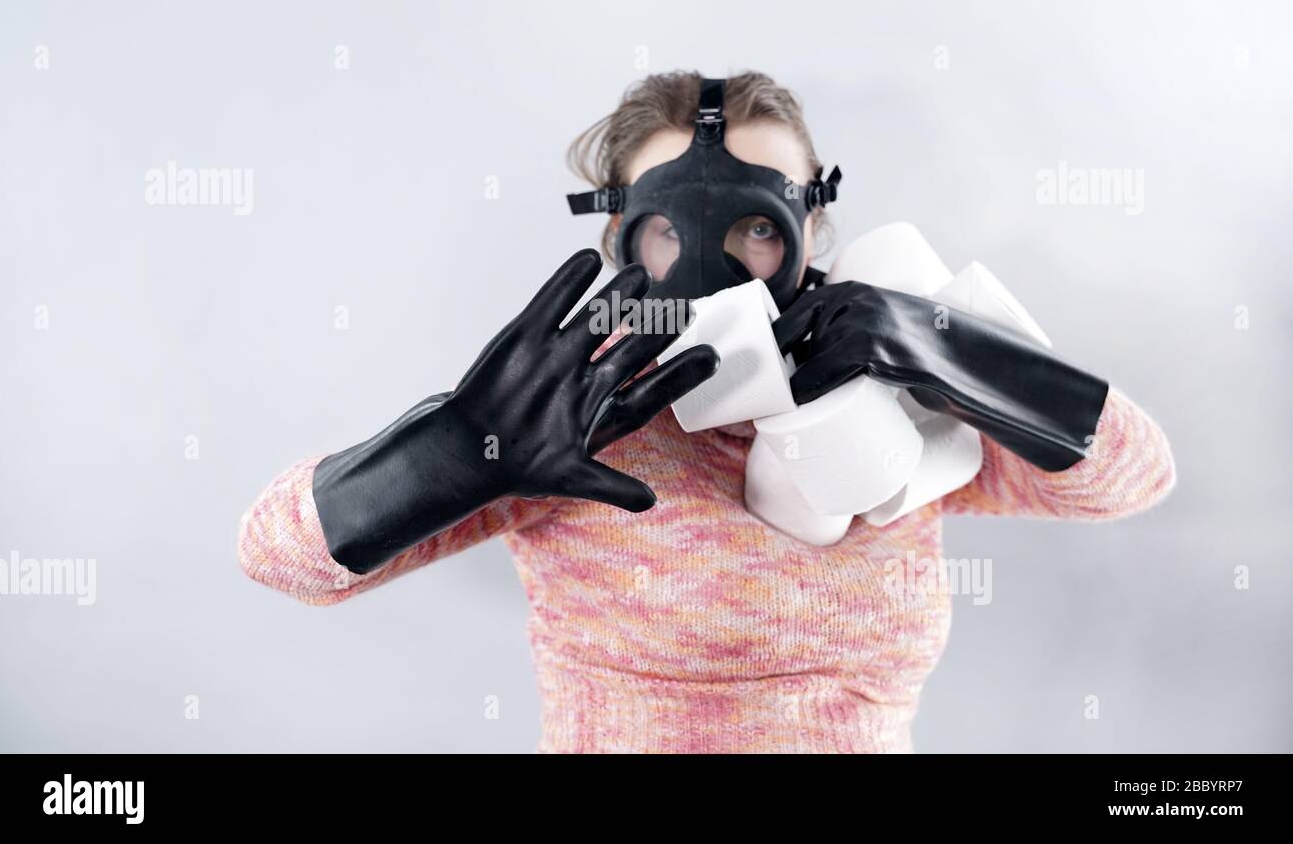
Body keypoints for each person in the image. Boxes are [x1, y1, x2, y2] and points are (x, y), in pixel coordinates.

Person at [238, 70, 1175, 753]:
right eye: (672, 229)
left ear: (813, 228)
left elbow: (1132, 479)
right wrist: (455, 448)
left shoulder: (895, 389)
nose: (720, 262)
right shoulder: (568, 417)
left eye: (758, 227)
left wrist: (940, 346)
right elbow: (280, 559)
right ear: (621, 237)